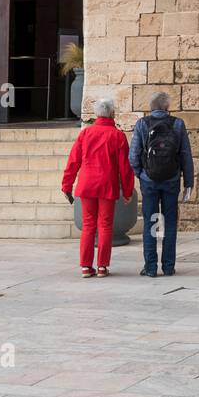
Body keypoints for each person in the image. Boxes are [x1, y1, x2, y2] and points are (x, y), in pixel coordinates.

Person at [61, 97, 135, 278]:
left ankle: (86, 266)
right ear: (112, 113)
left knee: (88, 225)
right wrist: (127, 191)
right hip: (107, 185)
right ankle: (102, 266)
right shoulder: (117, 136)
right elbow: (125, 167)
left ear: (96, 114)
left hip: (87, 184)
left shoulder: (85, 134)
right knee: (105, 225)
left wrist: (67, 185)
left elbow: (73, 161)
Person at [129, 92, 194, 278]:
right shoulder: (178, 124)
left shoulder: (142, 124)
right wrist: (189, 181)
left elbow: (133, 156)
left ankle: (150, 267)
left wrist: (140, 174)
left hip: (149, 181)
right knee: (170, 222)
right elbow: (185, 155)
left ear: (151, 107)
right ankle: (168, 266)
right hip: (172, 180)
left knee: (151, 222)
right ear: (166, 108)